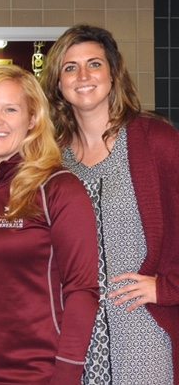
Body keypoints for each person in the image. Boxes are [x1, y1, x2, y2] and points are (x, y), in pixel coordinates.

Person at [0, 64, 99, 385]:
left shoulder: (58, 188)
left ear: (32, 120)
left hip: (35, 376)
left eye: (10, 109)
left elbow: (82, 291)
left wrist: (66, 376)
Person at [41, 24, 179, 385]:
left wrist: (167, 288)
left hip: (143, 332)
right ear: (58, 83)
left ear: (113, 73)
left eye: (94, 64)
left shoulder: (155, 141)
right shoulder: (52, 159)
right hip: (74, 340)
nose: (83, 76)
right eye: (70, 68)